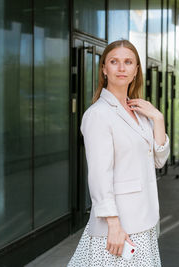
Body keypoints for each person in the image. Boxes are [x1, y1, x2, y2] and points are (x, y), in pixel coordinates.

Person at [67, 39, 170, 267]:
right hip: (119, 225)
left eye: (128, 62)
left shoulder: (141, 112)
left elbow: (159, 160)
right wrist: (113, 224)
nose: (121, 68)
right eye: (114, 62)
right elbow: (99, 175)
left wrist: (158, 118)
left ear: (135, 71)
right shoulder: (98, 114)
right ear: (104, 69)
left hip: (145, 219)